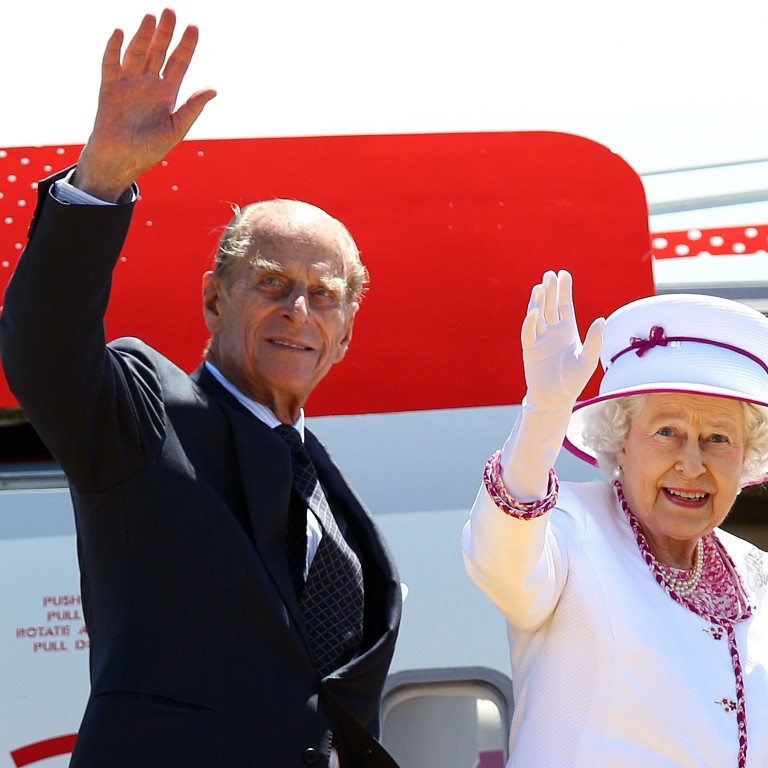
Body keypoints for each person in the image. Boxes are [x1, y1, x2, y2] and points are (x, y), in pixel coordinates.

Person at [0, 10, 401, 768]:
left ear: (345, 333)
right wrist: (104, 177)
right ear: (215, 301)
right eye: (273, 284)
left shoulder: (330, 495)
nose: (298, 310)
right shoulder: (145, 419)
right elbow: (43, 349)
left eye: (324, 294)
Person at [462, 269, 768, 767]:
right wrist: (543, 413)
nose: (692, 464)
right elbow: (500, 564)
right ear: (620, 440)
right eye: (668, 431)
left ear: (746, 455)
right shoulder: (568, 526)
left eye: (718, 438)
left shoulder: (756, 571)